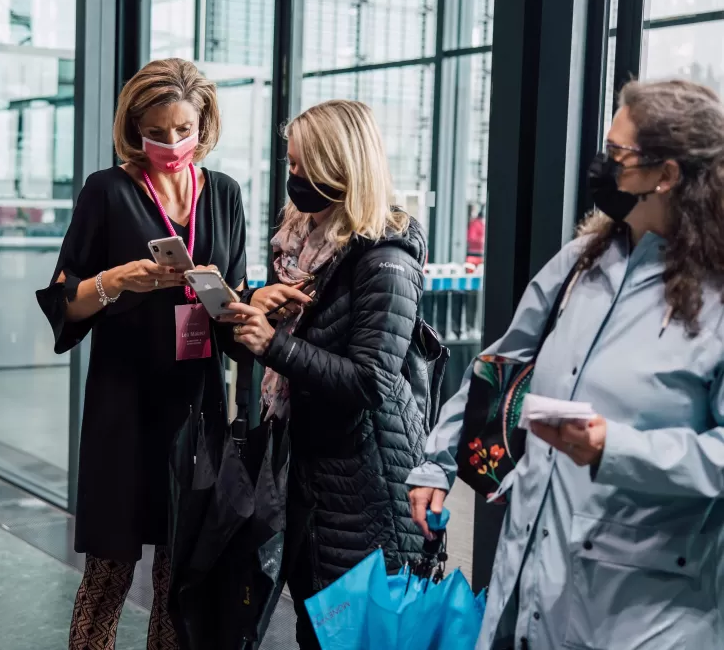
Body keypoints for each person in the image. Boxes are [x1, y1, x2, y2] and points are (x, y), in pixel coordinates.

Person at [408, 78, 724, 650]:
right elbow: (499, 365)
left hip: (643, 614)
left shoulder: (716, 297)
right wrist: (437, 462)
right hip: (532, 585)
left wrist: (614, 448)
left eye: (618, 153)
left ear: (667, 174)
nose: (602, 166)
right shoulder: (582, 262)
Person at [35, 58, 247, 650]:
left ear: (204, 124)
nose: (172, 144)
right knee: (108, 569)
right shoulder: (106, 191)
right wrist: (117, 280)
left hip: (196, 404)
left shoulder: (224, 194)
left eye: (184, 129)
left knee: (180, 577)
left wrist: (238, 301)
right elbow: (64, 301)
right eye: (157, 132)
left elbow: (238, 299)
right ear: (134, 127)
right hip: (122, 405)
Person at [226, 99, 429, 650]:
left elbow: (371, 382)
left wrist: (274, 346)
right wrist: (262, 306)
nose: (292, 177)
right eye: (290, 163)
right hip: (310, 474)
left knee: (352, 635)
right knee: (316, 627)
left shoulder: (387, 260)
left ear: (340, 167)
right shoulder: (306, 248)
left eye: (302, 166)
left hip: (363, 486)